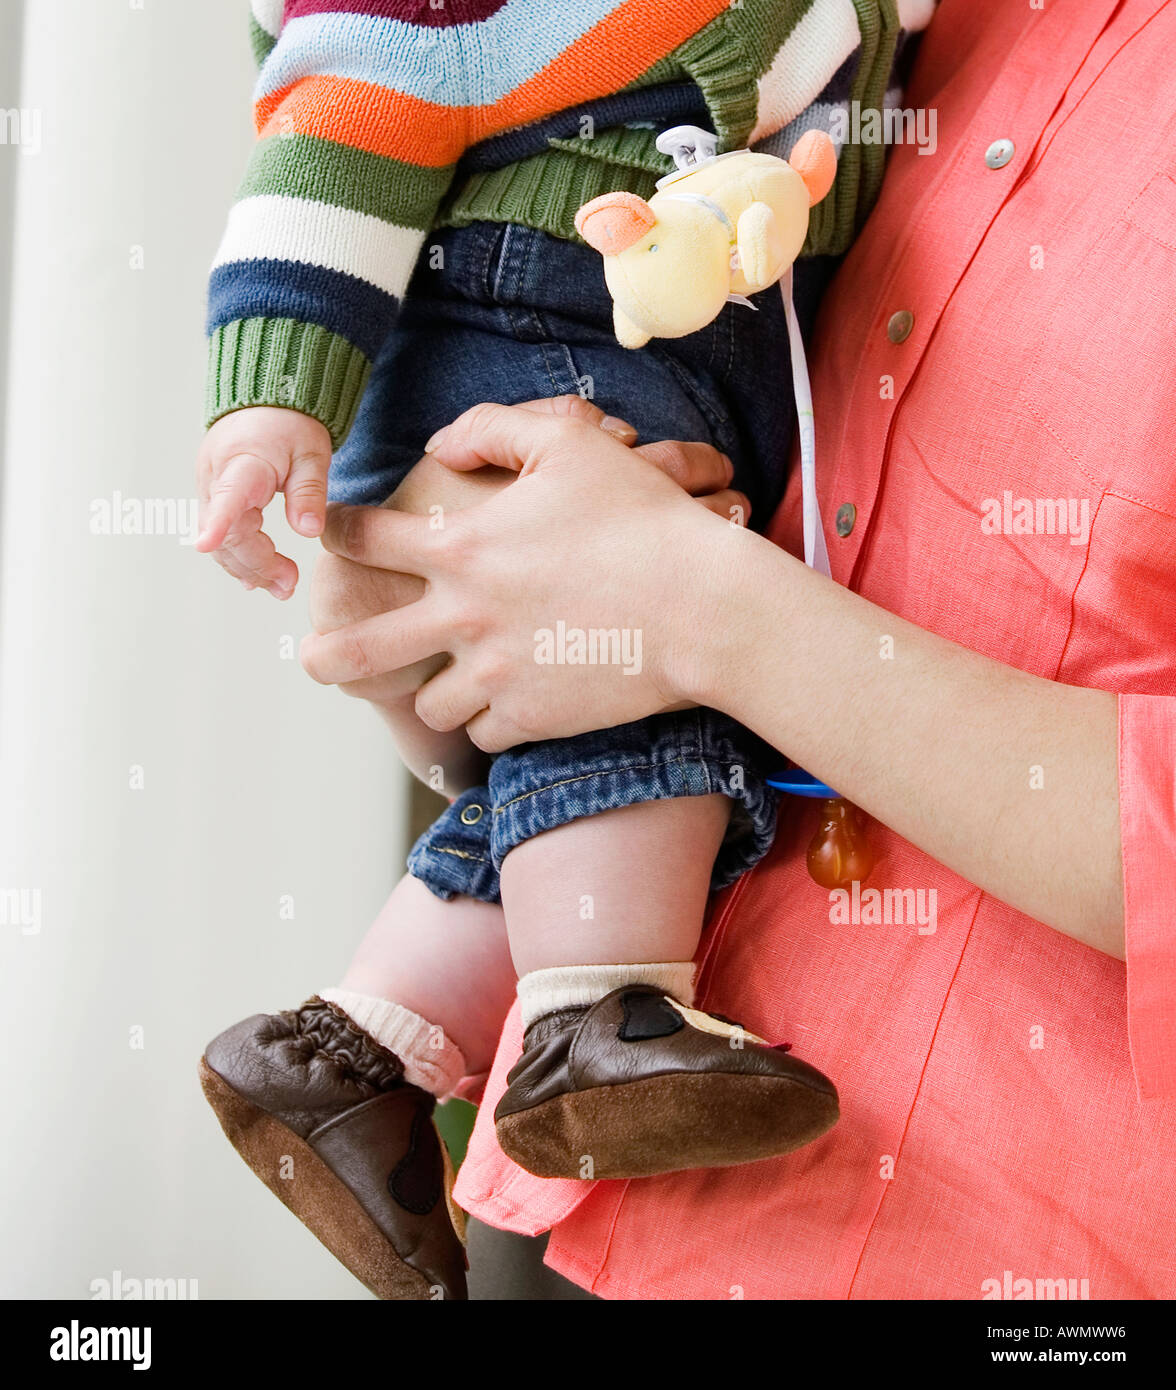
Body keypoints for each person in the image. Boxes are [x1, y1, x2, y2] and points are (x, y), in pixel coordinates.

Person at [296, 0, 1176, 1299]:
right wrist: (444, 600)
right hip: (608, 1188)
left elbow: (683, 593)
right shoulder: (868, 31)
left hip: (1013, 1257)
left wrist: (691, 608)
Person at [195, 0, 936, 1300]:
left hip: (631, 330)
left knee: (584, 711)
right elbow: (349, 98)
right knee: (636, 673)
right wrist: (269, 394)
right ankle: (597, 1013)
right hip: (532, 313)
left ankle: (355, 1053)